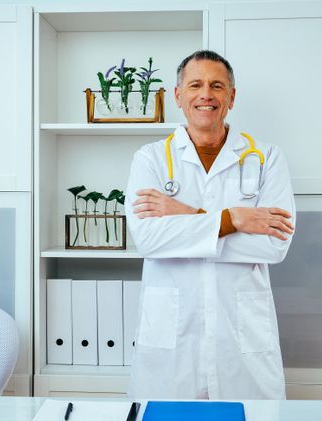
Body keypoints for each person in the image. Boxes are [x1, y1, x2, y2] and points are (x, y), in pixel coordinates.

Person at [125, 50, 295, 400]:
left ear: (231, 97)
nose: (206, 94)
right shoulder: (151, 159)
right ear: (178, 95)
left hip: (241, 339)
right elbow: (149, 240)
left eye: (217, 85)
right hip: (173, 341)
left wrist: (184, 215)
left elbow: (274, 245)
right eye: (195, 85)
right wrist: (235, 219)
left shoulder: (267, 158)